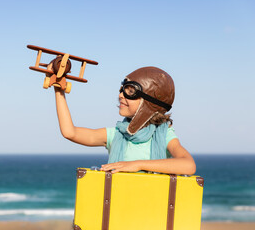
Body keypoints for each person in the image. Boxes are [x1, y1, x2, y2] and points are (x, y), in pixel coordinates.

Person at [54, 66, 196, 175]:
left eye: (130, 91)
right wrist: (59, 90)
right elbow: (70, 132)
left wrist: (137, 165)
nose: (120, 95)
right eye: (122, 89)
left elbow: (188, 165)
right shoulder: (116, 134)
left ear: (149, 102)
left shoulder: (164, 135)